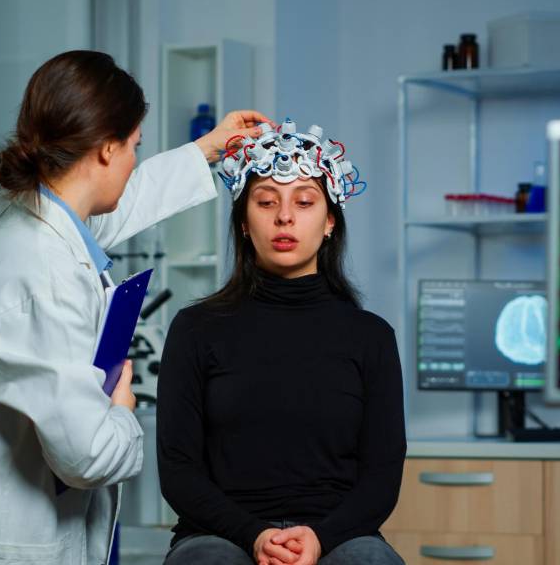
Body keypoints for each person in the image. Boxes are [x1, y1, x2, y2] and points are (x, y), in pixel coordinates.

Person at [0, 50, 270, 565]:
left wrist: (205, 151)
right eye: (134, 146)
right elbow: (87, 456)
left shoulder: (8, 216)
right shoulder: (41, 273)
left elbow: (108, 209)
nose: (134, 161)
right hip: (4, 544)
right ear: (105, 149)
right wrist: (124, 407)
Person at [157, 120, 407, 565]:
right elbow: (178, 471)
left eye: (305, 202)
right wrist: (254, 535)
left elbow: (382, 476)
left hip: (338, 535)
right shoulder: (195, 329)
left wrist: (320, 537)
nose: (284, 216)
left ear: (330, 221)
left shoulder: (371, 337)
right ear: (244, 224)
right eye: (266, 202)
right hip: (221, 532)